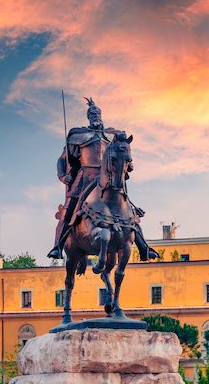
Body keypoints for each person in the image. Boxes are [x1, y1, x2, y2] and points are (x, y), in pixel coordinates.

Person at [48, 98, 159, 262]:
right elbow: (63, 160)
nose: (95, 116)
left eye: (97, 113)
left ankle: (144, 246)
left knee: (129, 210)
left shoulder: (111, 136)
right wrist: (64, 176)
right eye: (92, 114)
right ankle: (58, 245)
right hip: (85, 178)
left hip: (109, 178)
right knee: (70, 209)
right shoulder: (78, 135)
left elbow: (126, 159)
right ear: (88, 117)